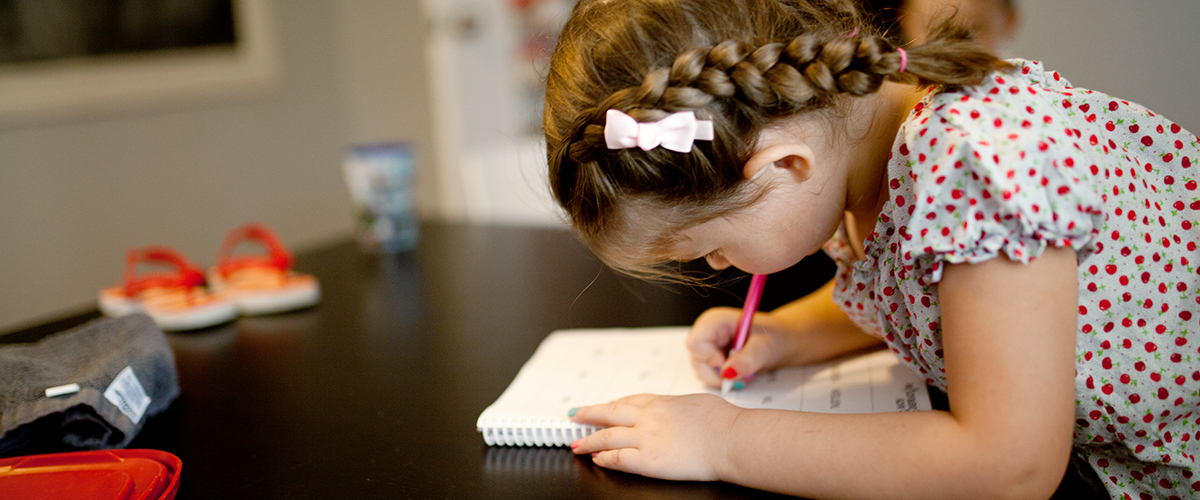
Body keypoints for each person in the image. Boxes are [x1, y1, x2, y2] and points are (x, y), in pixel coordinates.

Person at [542, 0, 1200, 498]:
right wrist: (789, 335)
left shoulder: (981, 165)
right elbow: (937, 290)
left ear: (784, 166)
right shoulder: (856, 153)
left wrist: (722, 439)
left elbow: (1011, 466)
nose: (716, 266)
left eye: (708, 247)